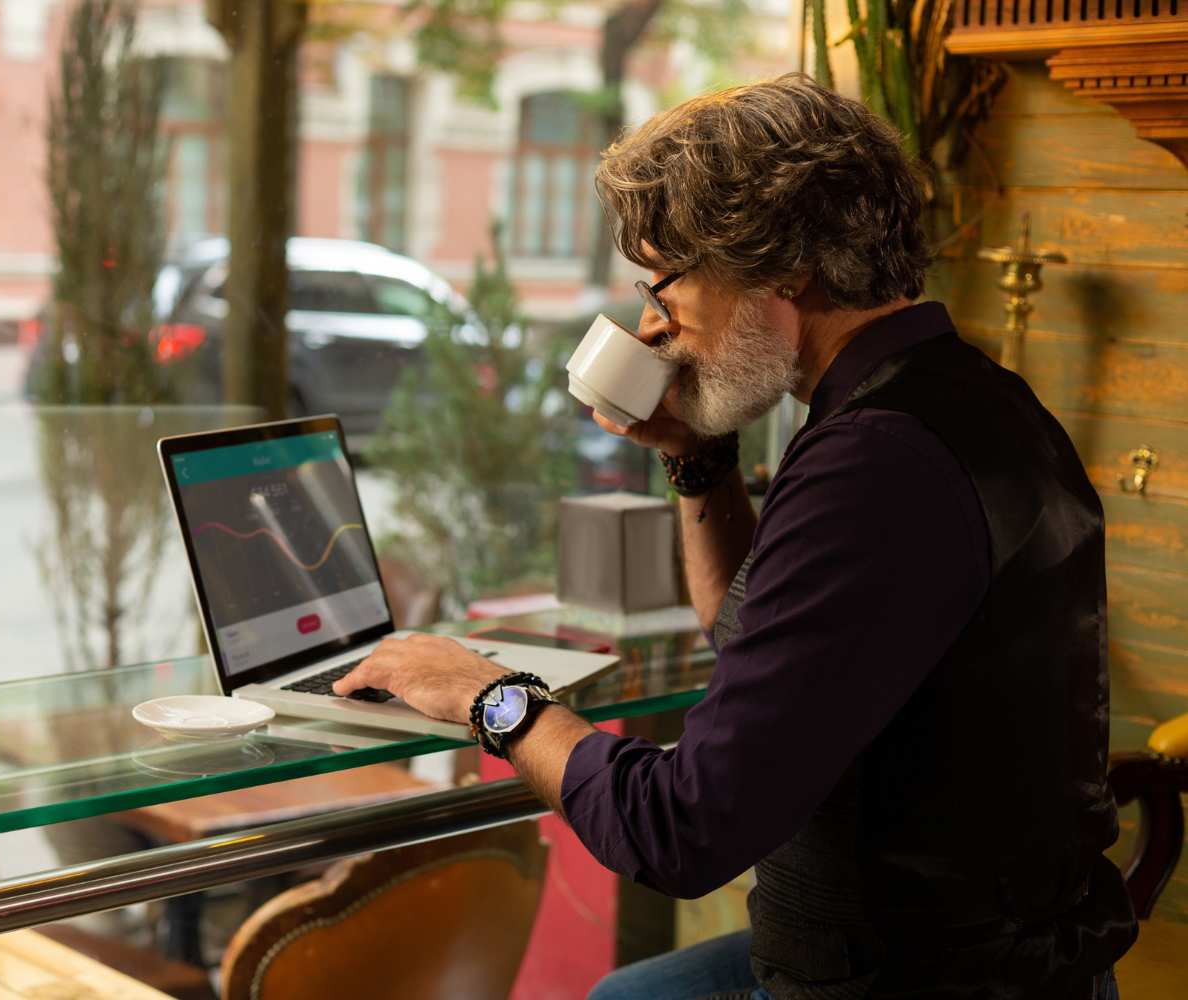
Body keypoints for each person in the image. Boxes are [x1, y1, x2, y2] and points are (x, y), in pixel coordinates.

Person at [333, 74, 1137, 998]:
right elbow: (744, 626)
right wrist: (696, 453)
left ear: (782, 267)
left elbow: (679, 833)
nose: (648, 323)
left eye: (663, 281)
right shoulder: (971, 400)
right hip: (994, 963)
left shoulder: (876, 462)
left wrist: (490, 698)